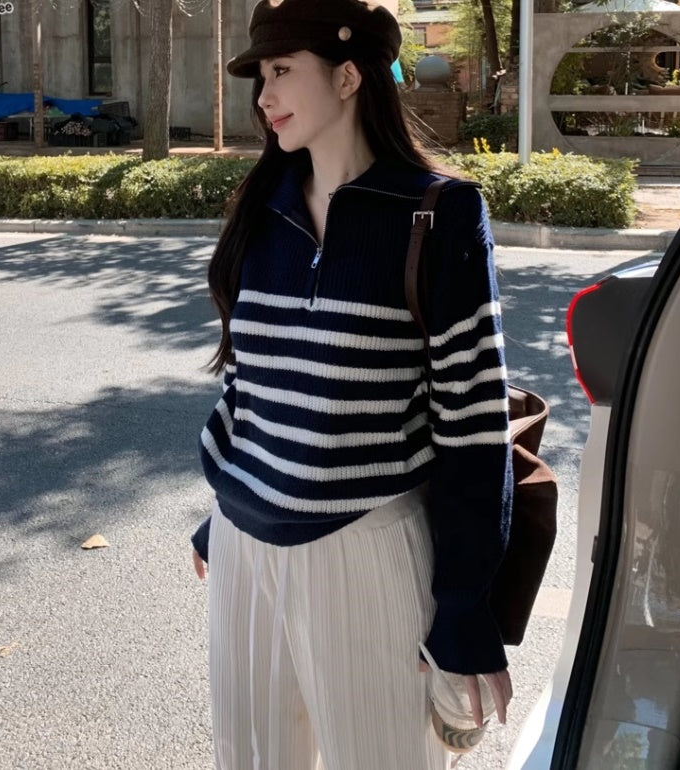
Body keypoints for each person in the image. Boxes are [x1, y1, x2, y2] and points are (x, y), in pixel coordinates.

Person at [190, 0, 514, 767]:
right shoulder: (263, 212)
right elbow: (249, 386)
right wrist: (231, 498)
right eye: (261, 76)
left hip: (363, 551)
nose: (265, 95)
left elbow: (474, 429)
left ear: (347, 77)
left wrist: (465, 611)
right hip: (242, 550)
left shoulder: (438, 214)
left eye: (282, 70)